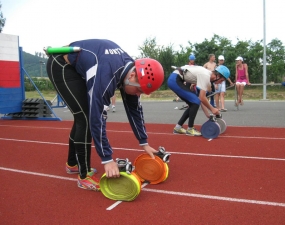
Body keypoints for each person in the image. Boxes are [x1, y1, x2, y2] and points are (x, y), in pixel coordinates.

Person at [46, 39, 164, 191]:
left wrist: (144, 142)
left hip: (83, 64)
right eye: (139, 90)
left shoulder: (129, 69)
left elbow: (134, 109)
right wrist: (107, 159)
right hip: (61, 64)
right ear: (133, 75)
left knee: (83, 116)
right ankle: (84, 176)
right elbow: (97, 117)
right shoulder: (106, 75)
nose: (138, 94)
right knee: (86, 117)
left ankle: (73, 163)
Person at [168, 64, 230, 136]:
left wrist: (208, 114)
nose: (220, 83)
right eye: (221, 80)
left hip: (176, 79)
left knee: (193, 102)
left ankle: (178, 127)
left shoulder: (206, 76)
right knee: (194, 101)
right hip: (175, 80)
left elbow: (201, 99)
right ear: (218, 76)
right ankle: (190, 129)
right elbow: (202, 98)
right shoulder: (205, 76)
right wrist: (212, 109)